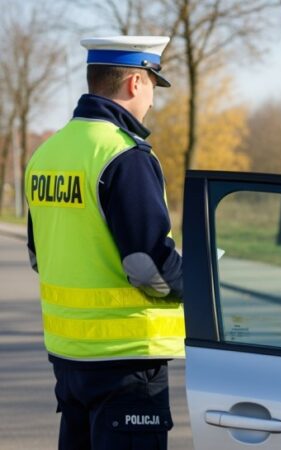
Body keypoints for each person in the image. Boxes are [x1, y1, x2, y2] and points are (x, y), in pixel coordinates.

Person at [25, 36, 183, 450]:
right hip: (127, 362)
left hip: (69, 361)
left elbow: (37, 255)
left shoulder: (47, 154)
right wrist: (199, 283)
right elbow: (149, 267)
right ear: (134, 83)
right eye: (152, 85)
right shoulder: (124, 155)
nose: (151, 100)